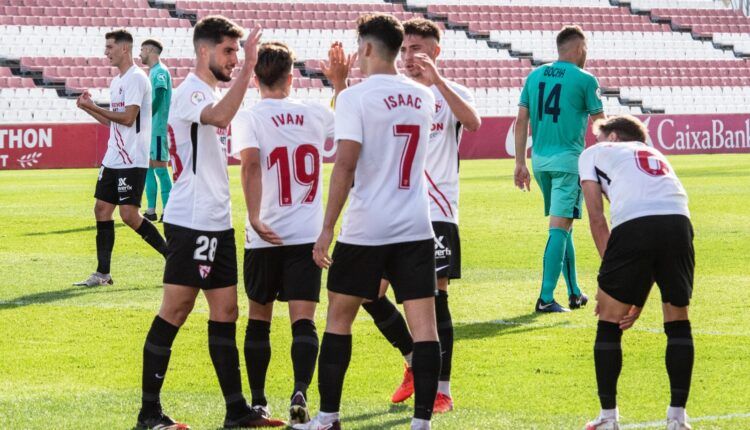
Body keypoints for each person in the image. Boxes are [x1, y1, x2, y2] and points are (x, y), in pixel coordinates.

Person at [135, 16, 284, 429]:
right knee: (176, 309)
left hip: (217, 221)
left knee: (227, 311)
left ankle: (236, 411)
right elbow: (218, 117)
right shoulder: (190, 93)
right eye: (229, 51)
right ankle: (149, 413)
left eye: (238, 52)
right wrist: (252, 66)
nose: (235, 59)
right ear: (204, 51)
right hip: (192, 220)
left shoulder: (210, 90)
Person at [296, 13, 440, 430]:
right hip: (415, 225)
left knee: (339, 318)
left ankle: (329, 417)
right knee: (425, 327)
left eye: (360, 47)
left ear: (369, 48)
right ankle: (422, 423)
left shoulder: (356, 98)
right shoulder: (423, 96)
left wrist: (325, 229)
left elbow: (344, 166)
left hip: (366, 228)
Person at [361, 17, 482, 413]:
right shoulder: (397, 94)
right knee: (368, 294)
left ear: (436, 52)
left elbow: (474, 122)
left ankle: (442, 388)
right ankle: (415, 359)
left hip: (437, 211)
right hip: (393, 210)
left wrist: (439, 81)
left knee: (435, 297)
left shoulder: (450, 94)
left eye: (420, 49)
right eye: (408, 48)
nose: (412, 56)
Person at [231, 41, 349, 426]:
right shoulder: (314, 113)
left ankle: (260, 400)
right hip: (306, 233)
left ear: (255, 77)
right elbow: (348, 123)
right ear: (291, 75)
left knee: (259, 318)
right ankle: (300, 389)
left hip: (264, 233)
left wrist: (253, 217)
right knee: (304, 320)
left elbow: (250, 165)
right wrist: (339, 84)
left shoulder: (249, 116)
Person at [580, 115, 695, 430]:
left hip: (635, 226)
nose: (596, 143)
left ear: (613, 136)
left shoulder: (592, 154)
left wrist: (613, 282)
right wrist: (636, 294)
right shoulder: (656, 155)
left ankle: (608, 418)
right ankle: (677, 419)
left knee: (608, 318)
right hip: (679, 223)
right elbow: (655, 233)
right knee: (678, 319)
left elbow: (596, 218)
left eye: (600, 137)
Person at [514, 25, 605, 313]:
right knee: (559, 228)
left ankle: (575, 292)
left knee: (563, 227)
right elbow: (601, 125)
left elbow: (521, 121)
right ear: (579, 48)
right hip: (568, 163)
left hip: (540, 162)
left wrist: (520, 162)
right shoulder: (585, 79)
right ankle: (545, 298)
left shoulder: (535, 75)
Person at [74, 29, 167, 287]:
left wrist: (93, 106)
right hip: (113, 156)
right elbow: (111, 121)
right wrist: (89, 109)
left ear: (124, 49)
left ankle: (172, 258)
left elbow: (128, 118)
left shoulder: (137, 79)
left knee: (129, 215)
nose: (106, 52)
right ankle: (102, 274)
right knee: (101, 209)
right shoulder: (117, 82)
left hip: (132, 158)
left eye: (110, 47)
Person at [139, 38, 173, 222]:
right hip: (151, 130)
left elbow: (160, 94)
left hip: (158, 129)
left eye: (142, 49)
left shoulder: (160, 71)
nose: (140, 53)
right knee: (148, 169)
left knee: (160, 169)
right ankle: (151, 210)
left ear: (151, 50)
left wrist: (147, 114)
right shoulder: (153, 71)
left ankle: (169, 210)